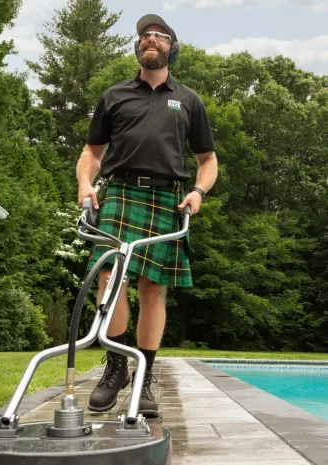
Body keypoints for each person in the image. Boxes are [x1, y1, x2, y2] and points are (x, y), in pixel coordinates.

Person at [76, 14, 218, 418]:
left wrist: (198, 191)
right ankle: (117, 368)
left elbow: (207, 160)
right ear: (138, 47)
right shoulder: (115, 96)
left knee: (154, 288)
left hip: (167, 197)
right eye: (144, 35)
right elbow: (92, 153)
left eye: (159, 35)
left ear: (172, 47)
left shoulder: (188, 100)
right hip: (119, 192)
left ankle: (145, 376)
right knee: (109, 277)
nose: (150, 39)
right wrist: (86, 184)